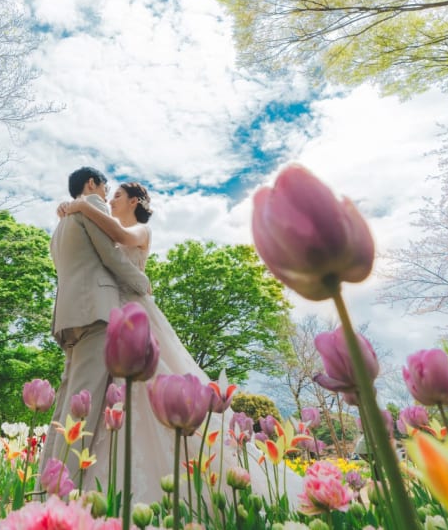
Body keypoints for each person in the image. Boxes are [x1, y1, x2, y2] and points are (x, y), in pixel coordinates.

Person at [59, 182, 305, 506]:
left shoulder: (141, 231)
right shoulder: (105, 229)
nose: (111, 199)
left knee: (153, 384)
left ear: (134, 201)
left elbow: (120, 239)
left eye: (117, 195)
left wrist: (79, 206)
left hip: (135, 314)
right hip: (112, 318)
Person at [39, 167, 151, 489]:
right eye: (106, 189)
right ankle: (61, 495)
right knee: (82, 413)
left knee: (65, 411)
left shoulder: (60, 224)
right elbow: (111, 257)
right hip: (96, 315)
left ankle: (46, 488)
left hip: (69, 318)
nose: (107, 195)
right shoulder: (91, 207)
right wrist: (142, 283)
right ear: (92, 184)